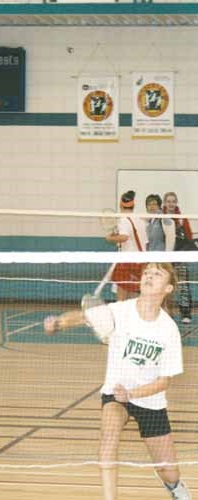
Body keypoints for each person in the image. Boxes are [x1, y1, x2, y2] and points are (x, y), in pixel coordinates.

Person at [44, 263, 191, 500]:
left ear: (168, 288)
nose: (149, 276)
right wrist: (59, 323)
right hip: (116, 394)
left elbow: (165, 382)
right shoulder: (120, 310)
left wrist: (133, 394)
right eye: (147, 272)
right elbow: (83, 317)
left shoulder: (168, 330)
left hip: (150, 401)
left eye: (157, 273)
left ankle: (175, 488)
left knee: (169, 472)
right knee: (108, 437)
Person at [106, 190, 148, 301]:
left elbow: (124, 237)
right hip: (141, 262)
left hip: (127, 262)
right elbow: (143, 241)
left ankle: (120, 317)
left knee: (121, 299)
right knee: (134, 298)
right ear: (133, 205)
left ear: (121, 204)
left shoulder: (123, 220)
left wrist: (110, 238)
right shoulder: (140, 219)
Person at [163, 192, 193, 324]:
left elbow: (189, 236)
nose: (171, 203)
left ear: (176, 203)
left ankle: (186, 314)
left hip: (180, 257)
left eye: (173, 201)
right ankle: (166, 313)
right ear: (165, 203)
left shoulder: (181, 218)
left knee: (183, 287)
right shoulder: (160, 217)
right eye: (168, 201)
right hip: (166, 259)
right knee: (165, 286)